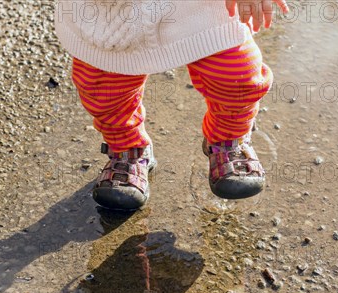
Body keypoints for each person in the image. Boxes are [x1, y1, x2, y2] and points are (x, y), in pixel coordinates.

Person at [55, 0, 289, 210]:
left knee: (237, 75)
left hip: (198, 10)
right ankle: (127, 148)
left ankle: (228, 138)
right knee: (103, 87)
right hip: (111, 14)